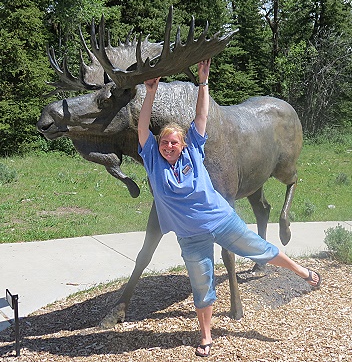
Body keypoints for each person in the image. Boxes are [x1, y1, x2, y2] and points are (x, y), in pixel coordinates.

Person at [138, 59, 322, 358]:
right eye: (164, 143)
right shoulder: (153, 160)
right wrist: (150, 93)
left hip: (221, 220)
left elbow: (201, 116)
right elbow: (143, 127)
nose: (168, 147)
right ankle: (206, 337)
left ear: (184, 145)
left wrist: (203, 82)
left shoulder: (194, 150)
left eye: (173, 143)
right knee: (202, 284)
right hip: (190, 237)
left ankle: (303, 272)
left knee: (258, 248)